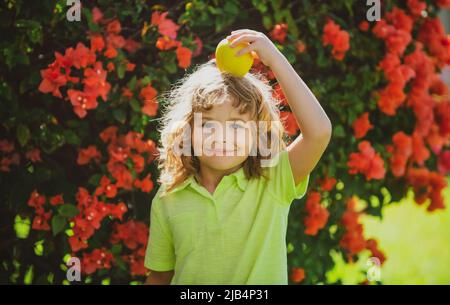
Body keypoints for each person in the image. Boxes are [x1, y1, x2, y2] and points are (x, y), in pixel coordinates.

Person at [144, 29, 332, 284]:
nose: (221, 136)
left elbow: (318, 133)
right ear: (187, 132)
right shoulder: (169, 198)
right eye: (208, 125)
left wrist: (274, 59)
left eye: (236, 126)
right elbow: (159, 277)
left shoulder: (274, 180)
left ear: (257, 135)